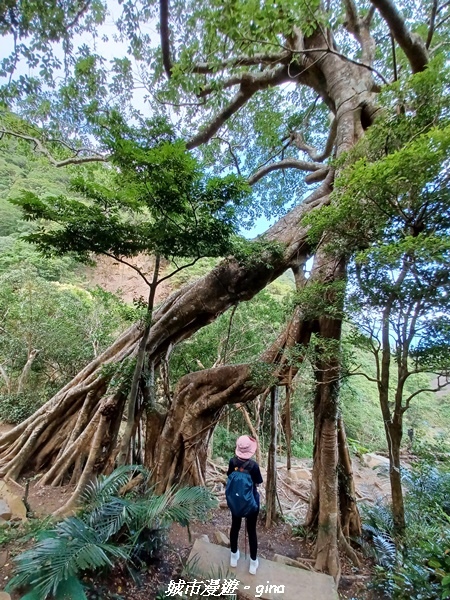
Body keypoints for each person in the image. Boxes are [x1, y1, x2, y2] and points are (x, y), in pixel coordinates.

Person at [227, 435, 263, 575]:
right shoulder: (253, 466)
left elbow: (229, 475)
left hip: (236, 502)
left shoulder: (232, 462)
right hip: (251, 503)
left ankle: (233, 556)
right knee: (251, 530)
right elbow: (258, 482)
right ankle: (253, 563)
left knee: (235, 527)